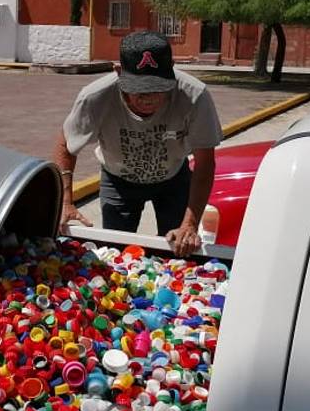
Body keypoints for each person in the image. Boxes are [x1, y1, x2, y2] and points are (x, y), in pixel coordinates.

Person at [54, 31, 222, 257]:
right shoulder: (95, 97)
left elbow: (205, 163)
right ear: (118, 72)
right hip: (118, 181)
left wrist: (190, 225)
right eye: (139, 89)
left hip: (173, 179)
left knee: (177, 249)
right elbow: (66, 145)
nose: (149, 98)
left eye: (158, 88)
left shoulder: (194, 95)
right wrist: (65, 201)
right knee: (117, 253)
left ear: (171, 69)